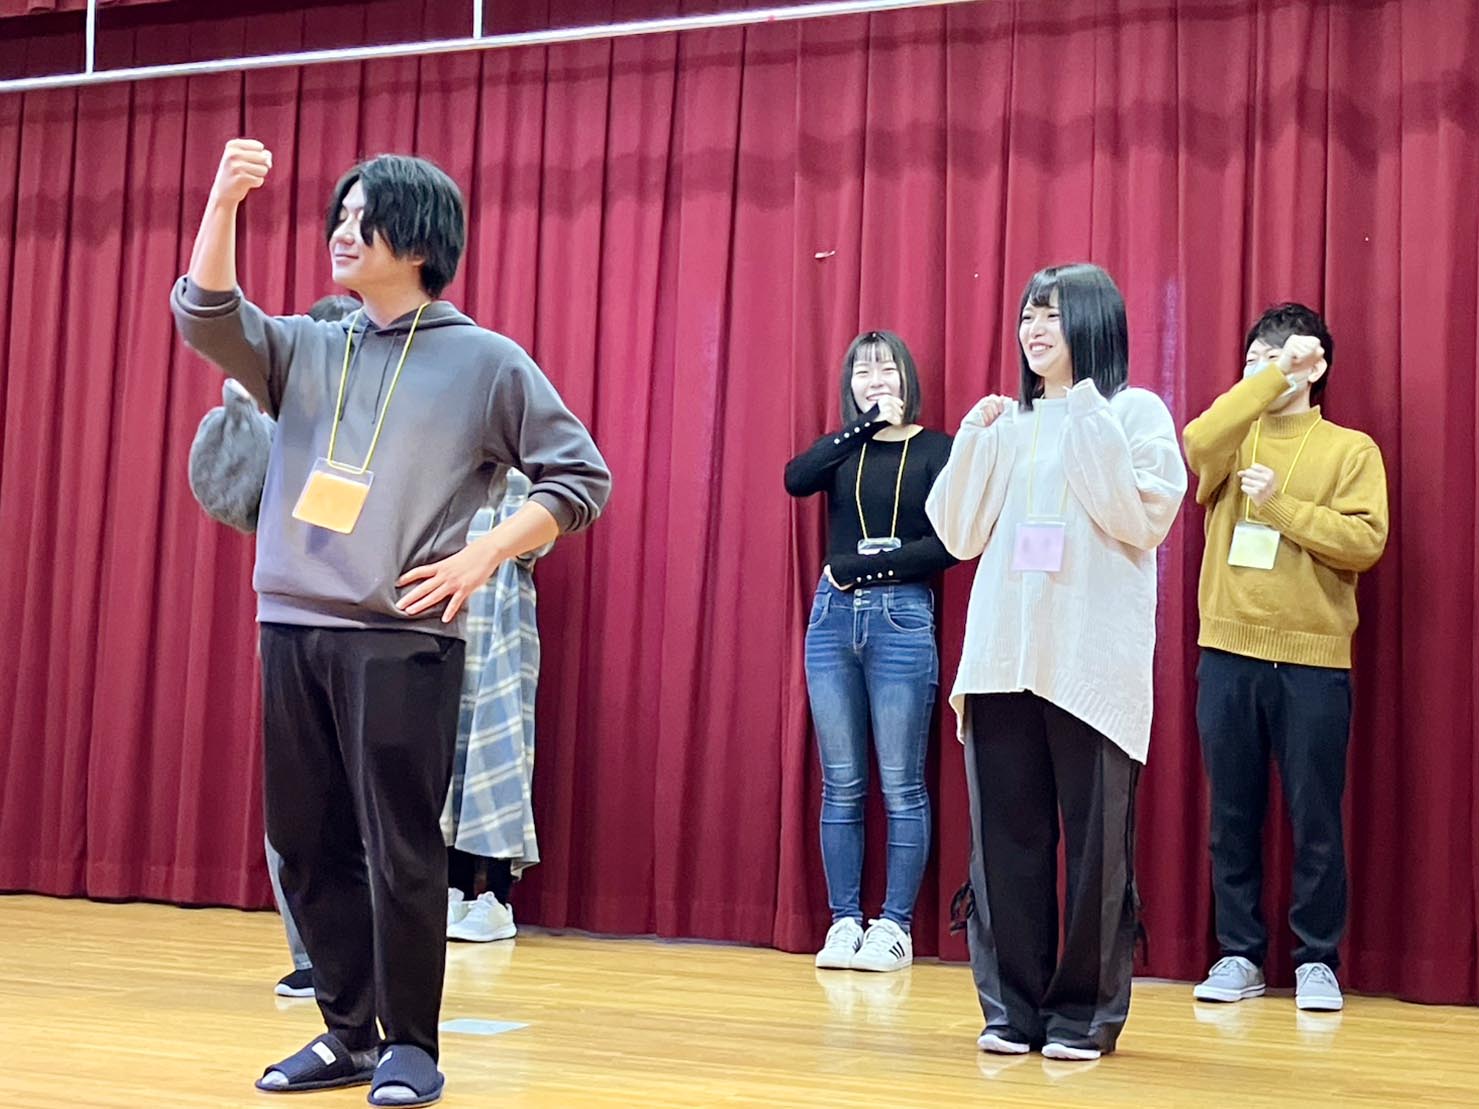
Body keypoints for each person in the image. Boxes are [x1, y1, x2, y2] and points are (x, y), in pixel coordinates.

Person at [172, 139, 610, 1106]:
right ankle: (346, 1033)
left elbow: (580, 477)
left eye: (360, 217)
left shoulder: (485, 361)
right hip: (291, 626)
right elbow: (204, 312)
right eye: (338, 214)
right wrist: (223, 201)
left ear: (415, 241)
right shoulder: (307, 345)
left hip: (403, 638)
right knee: (303, 843)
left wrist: (483, 554)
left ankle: (410, 1043)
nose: (340, 231)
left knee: (402, 846)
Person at [927, 263, 1185, 1060]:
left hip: (1089, 665)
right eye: (1027, 316)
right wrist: (973, 441)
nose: (1033, 331)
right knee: (1005, 845)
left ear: (1093, 322)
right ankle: (1011, 1009)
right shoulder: (1006, 421)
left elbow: (1139, 518)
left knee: (1096, 850)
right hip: (1001, 659)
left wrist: (1084, 412)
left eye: (1051, 315)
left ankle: (1083, 1014)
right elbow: (956, 533)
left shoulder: (1133, 411)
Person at [1182, 303, 1388, 1013]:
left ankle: (1316, 959)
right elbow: (1197, 440)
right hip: (1227, 650)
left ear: (1314, 367)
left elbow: (1364, 542)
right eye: (1251, 360)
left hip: (1312, 660)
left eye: (1278, 357)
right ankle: (1238, 952)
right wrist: (1270, 378)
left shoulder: (1350, 450)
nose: (1259, 371)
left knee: (1315, 816)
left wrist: (1280, 509)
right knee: (1230, 815)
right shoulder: (1231, 437)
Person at [186, 291, 359, 999]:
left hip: (384, 626)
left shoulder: (393, 420)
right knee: (300, 800)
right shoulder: (274, 421)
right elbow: (230, 502)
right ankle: (315, 954)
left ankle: (377, 958)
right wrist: (237, 425)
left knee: (378, 804)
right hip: (294, 624)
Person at [784, 330, 956, 972]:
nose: (876, 380)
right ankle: (844, 920)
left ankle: (894, 926)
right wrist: (862, 427)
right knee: (842, 783)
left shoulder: (937, 449)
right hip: (832, 619)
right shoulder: (843, 450)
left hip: (901, 617)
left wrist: (863, 568)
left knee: (901, 783)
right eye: (863, 371)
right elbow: (796, 478)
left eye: (887, 369)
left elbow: (950, 542)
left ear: (908, 377)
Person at [443, 469, 549, 943]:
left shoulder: (521, 483)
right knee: (446, 754)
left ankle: (497, 899)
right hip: (448, 623)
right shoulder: (445, 476)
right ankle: (453, 888)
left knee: (498, 753)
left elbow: (534, 543)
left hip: (501, 631)